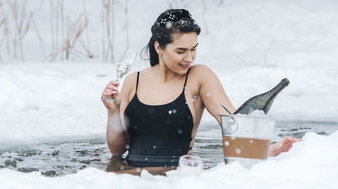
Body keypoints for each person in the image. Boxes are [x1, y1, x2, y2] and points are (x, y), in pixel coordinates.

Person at [101, 9, 299, 170]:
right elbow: (118, 149)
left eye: (193, 49)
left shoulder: (198, 77)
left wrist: (269, 149)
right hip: (130, 178)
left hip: (175, 180)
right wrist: (112, 112)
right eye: (181, 51)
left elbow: (235, 123)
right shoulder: (132, 81)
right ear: (159, 48)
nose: (190, 58)